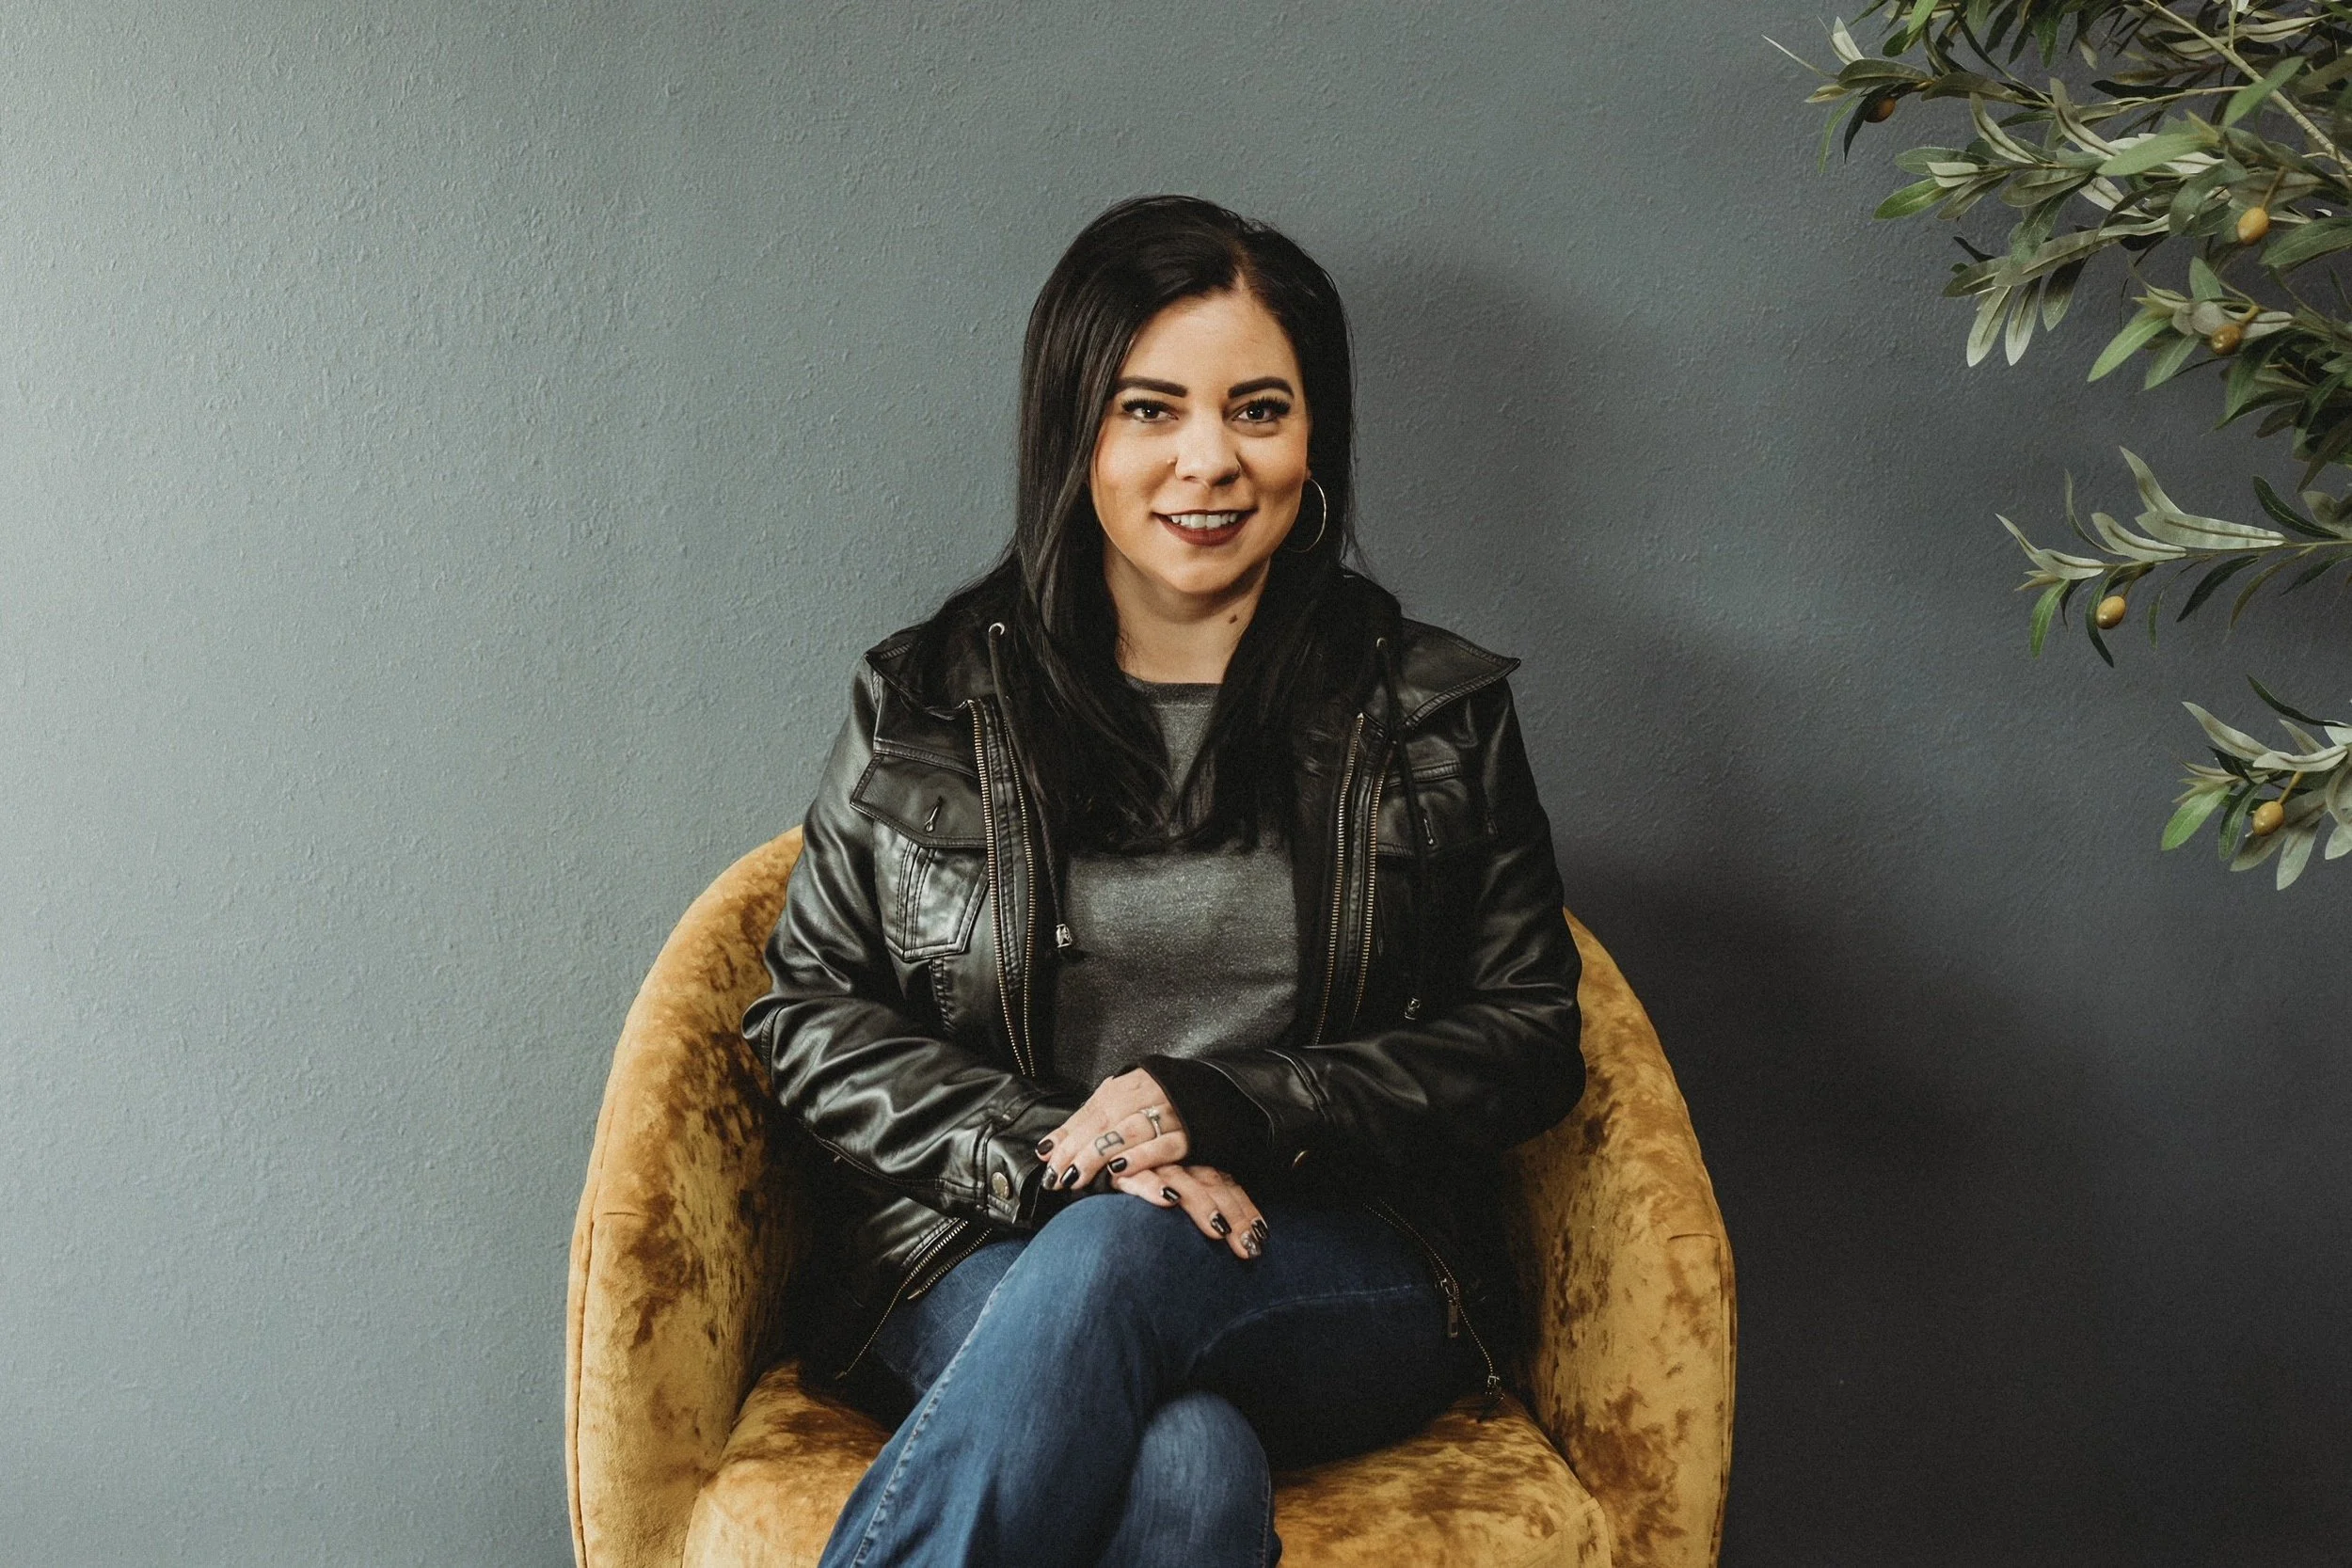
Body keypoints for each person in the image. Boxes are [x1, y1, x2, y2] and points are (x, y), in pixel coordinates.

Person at [741, 193, 1584, 1568]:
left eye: (1258, 408)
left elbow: (1529, 1037)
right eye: (1150, 409)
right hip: (977, 1245)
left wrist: (1227, 1107)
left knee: (1123, 1264)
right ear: (1075, 433)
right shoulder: (928, 697)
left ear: (1316, 440)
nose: (1210, 460)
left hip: (1339, 1259)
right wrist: (1055, 1153)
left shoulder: (1425, 706)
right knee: (1183, 1471)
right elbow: (808, 1015)